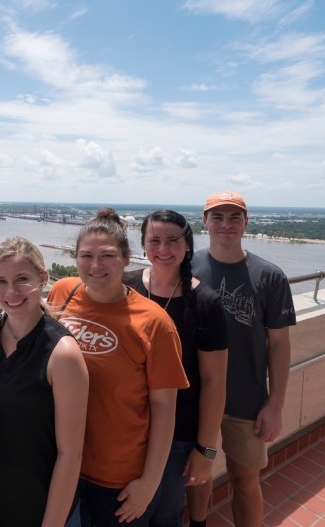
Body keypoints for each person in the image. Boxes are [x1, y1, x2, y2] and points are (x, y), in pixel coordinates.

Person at [47, 208, 189, 527]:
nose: (96, 266)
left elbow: (165, 409)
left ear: (127, 259)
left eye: (108, 255)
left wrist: (149, 484)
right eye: (86, 256)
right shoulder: (62, 294)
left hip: (118, 479)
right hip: (61, 465)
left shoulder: (154, 323)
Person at [191, 191, 295, 527]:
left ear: (246, 222)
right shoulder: (186, 268)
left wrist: (275, 405)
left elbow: (279, 345)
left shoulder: (270, 276)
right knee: (196, 478)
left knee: (246, 482)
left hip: (246, 399)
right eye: (217, 217)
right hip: (195, 396)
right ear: (204, 221)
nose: (226, 224)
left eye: (234, 217)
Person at [122, 210, 228, 527]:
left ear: (187, 245)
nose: (164, 249)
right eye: (155, 240)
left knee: (164, 516)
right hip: (127, 430)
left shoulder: (206, 303)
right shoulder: (126, 288)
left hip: (178, 436)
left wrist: (205, 451)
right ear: (143, 245)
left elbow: (213, 382)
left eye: (172, 240)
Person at [0, 236, 89, 527]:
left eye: (21, 279)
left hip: (40, 508)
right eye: (1, 281)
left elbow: (70, 454)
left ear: (43, 278)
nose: (11, 291)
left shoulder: (62, 353)